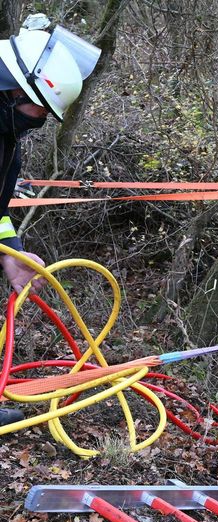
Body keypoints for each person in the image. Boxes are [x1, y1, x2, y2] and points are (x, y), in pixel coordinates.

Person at [0, 24, 99, 426]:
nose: (40, 120)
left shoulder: (7, 138)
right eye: (39, 108)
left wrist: (12, 251)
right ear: (14, 90)